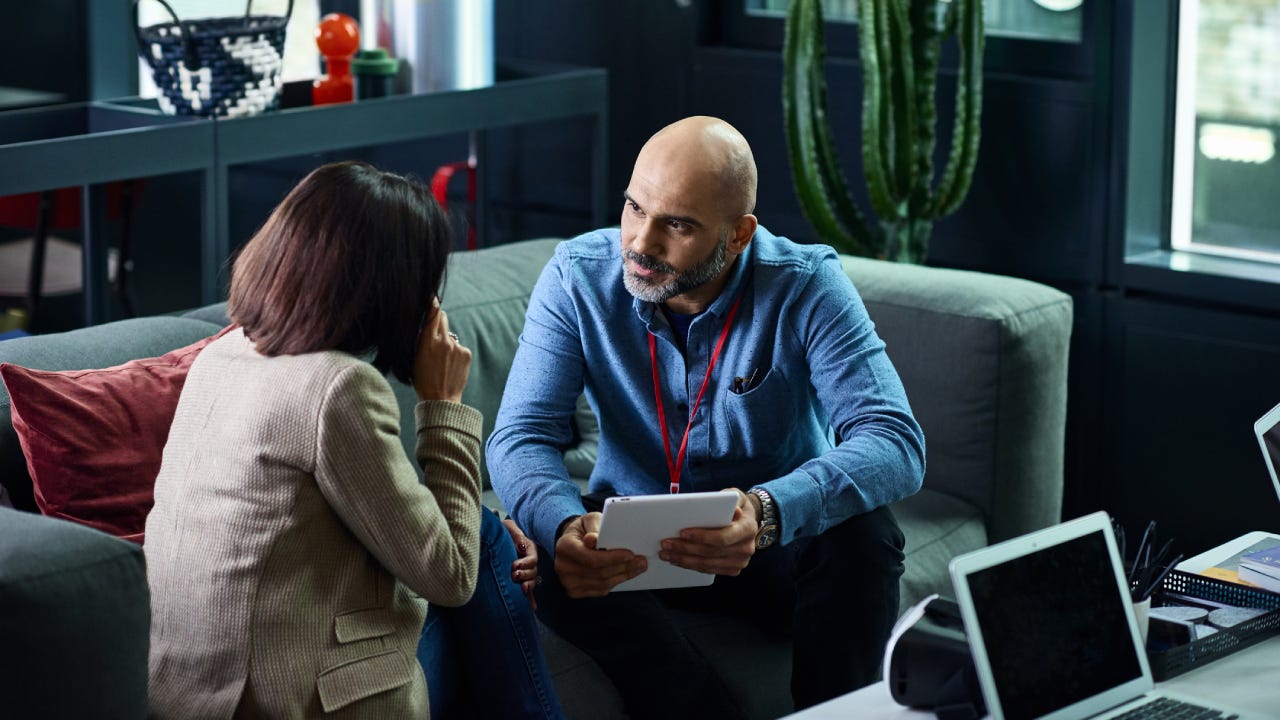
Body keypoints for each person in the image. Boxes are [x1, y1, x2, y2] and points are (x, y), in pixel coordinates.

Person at [487, 116, 926, 717]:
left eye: (677, 225)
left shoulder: (805, 284)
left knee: (865, 538)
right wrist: (563, 526)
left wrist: (767, 512)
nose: (641, 243)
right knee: (553, 562)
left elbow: (895, 440)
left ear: (740, 234)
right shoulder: (576, 275)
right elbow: (521, 436)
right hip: (632, 548)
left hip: (767, 545)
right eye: (635, 209)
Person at [144, 161, 563, 719]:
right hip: (282, 702)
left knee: (481, 536)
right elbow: (452, 575)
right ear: (395, 288)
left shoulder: (219, 357)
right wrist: (443, 404)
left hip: (185, 695)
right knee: (484, 541)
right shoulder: (337, 388)